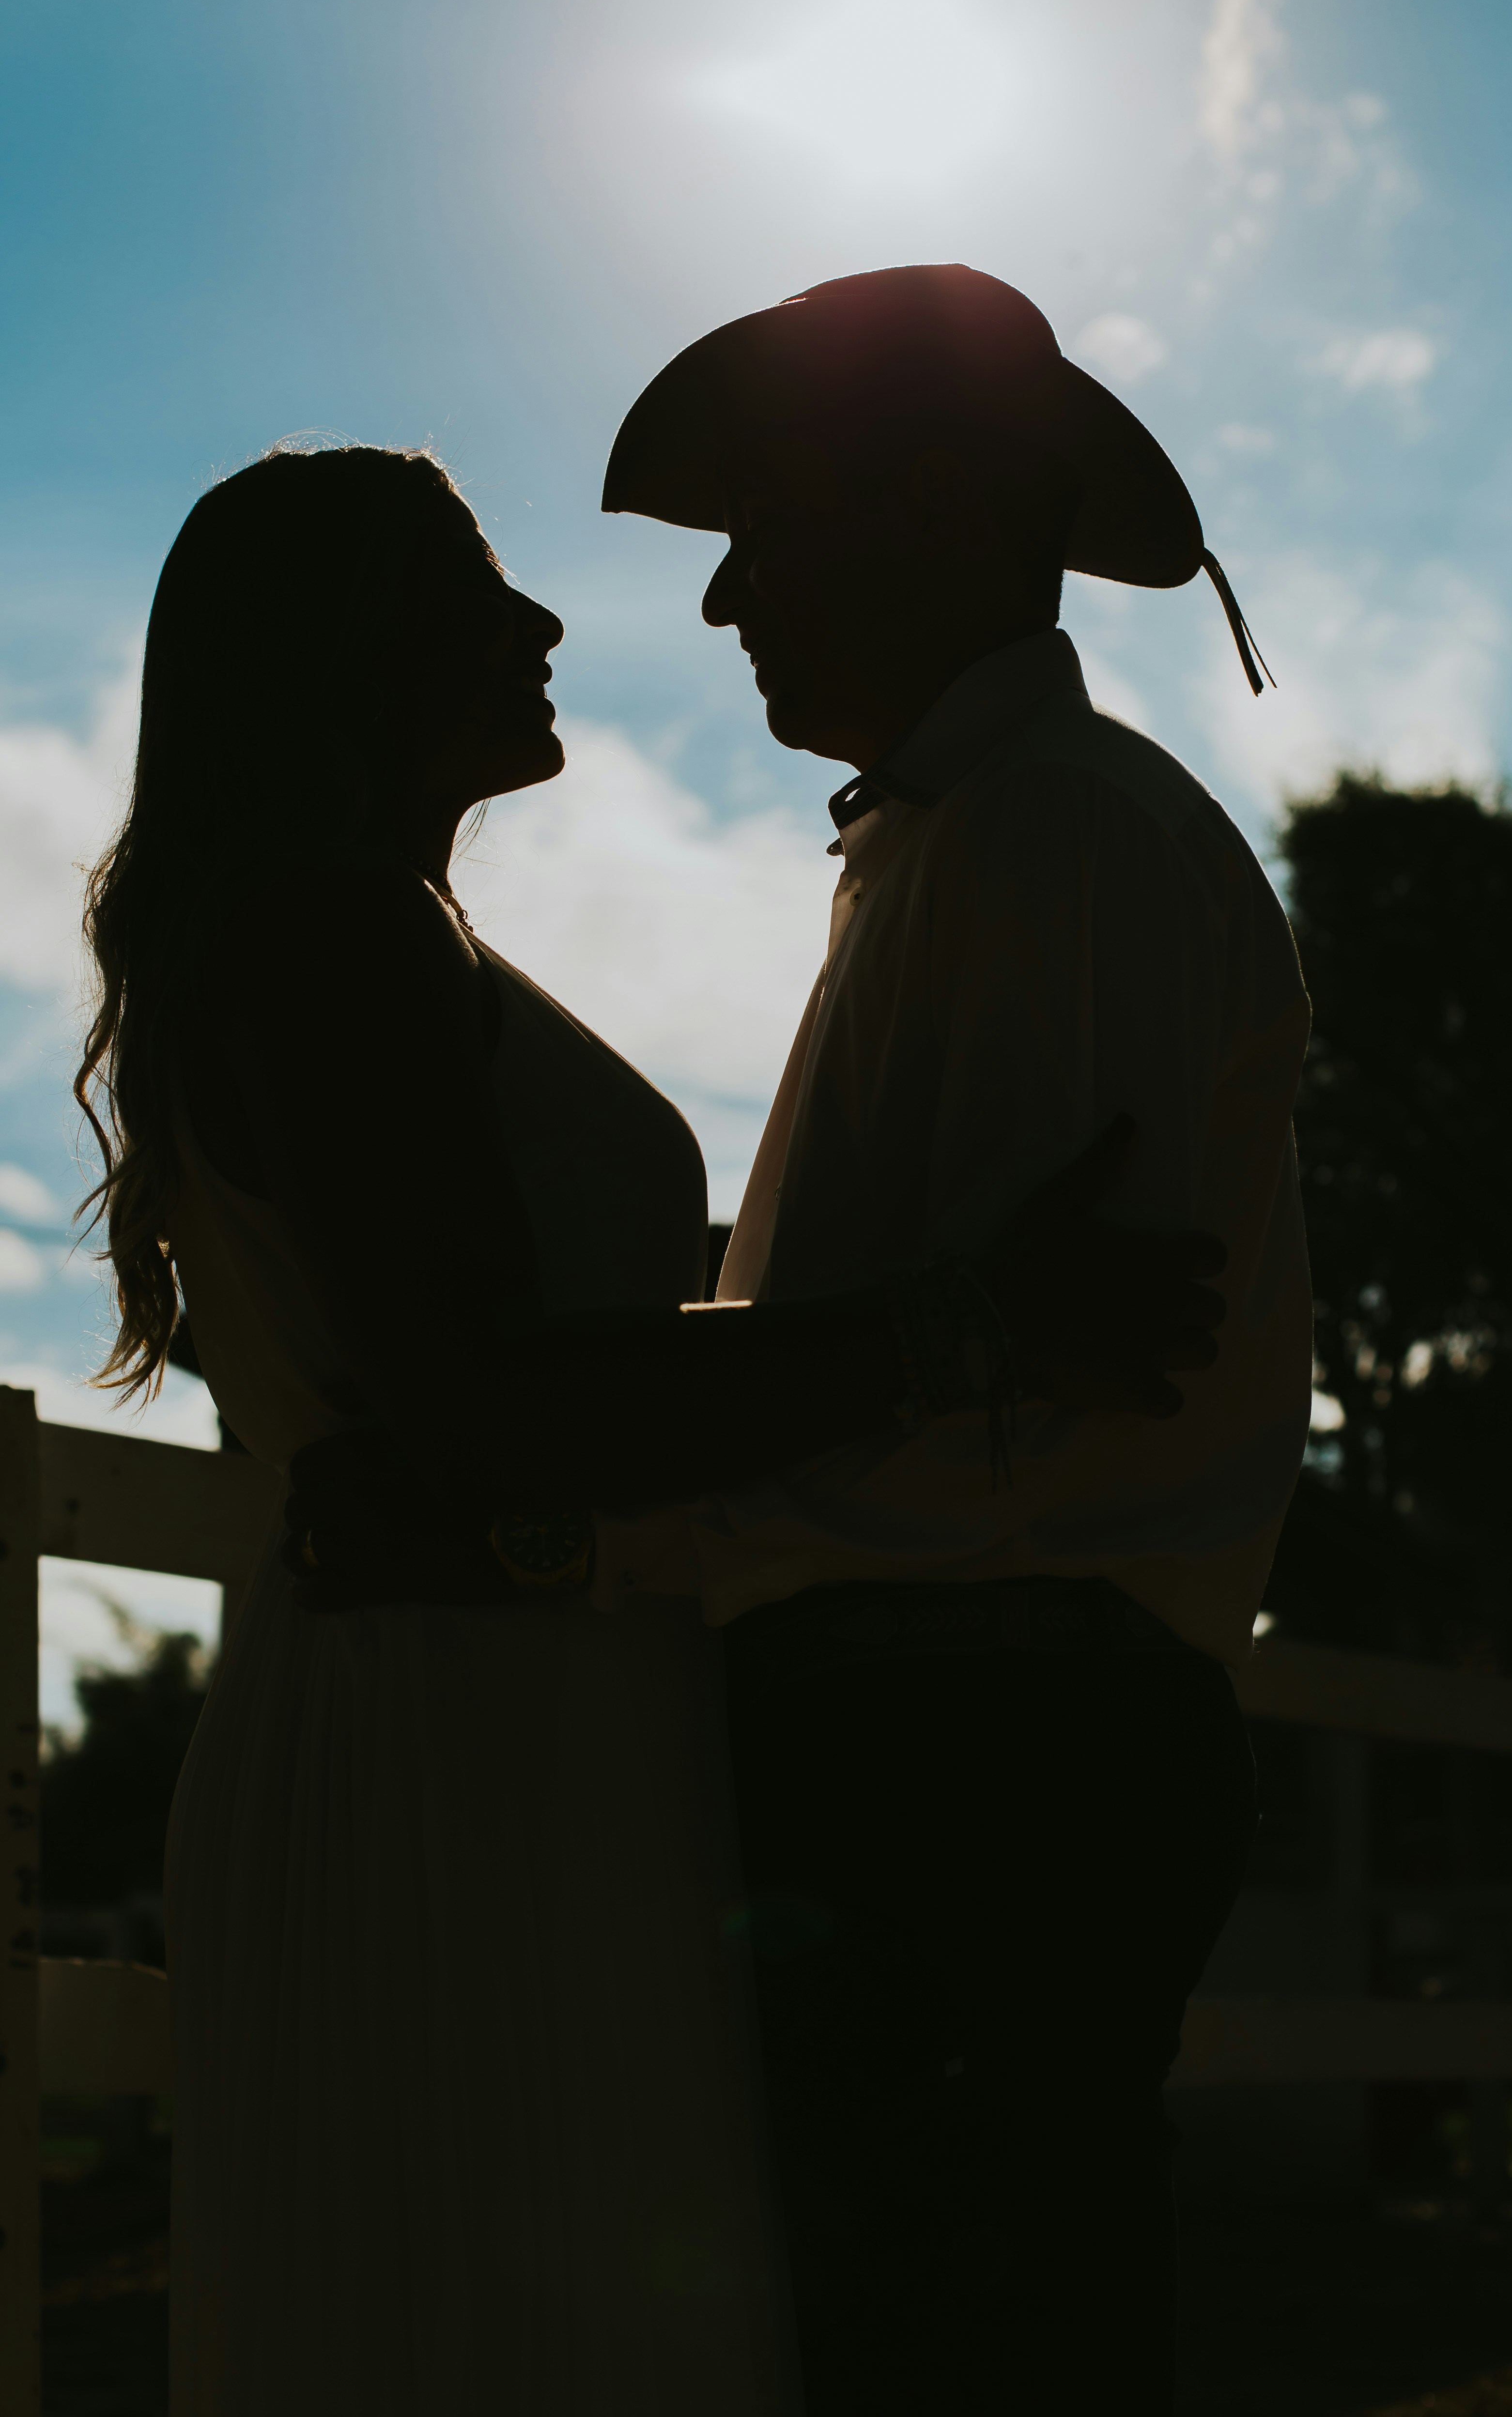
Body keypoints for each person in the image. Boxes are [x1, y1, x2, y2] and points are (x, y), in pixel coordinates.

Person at [75, 441, 1227, 2416]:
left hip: (495, 1711)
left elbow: (513, 1354)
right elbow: (498, 1400)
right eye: (477, 586)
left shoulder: (368, 937)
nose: (540, 626)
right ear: (346, 645)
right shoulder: (332, 942)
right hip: (447, 1737)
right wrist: (965, 1325)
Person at [589, 263, 1316, 2414]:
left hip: (965, 1751)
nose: (724, 601)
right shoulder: (980, 838)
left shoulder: (1044, 838)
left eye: (763, 531)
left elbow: (997, 1397)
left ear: (910, 518)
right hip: (972, 1739)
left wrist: (602, 1462)